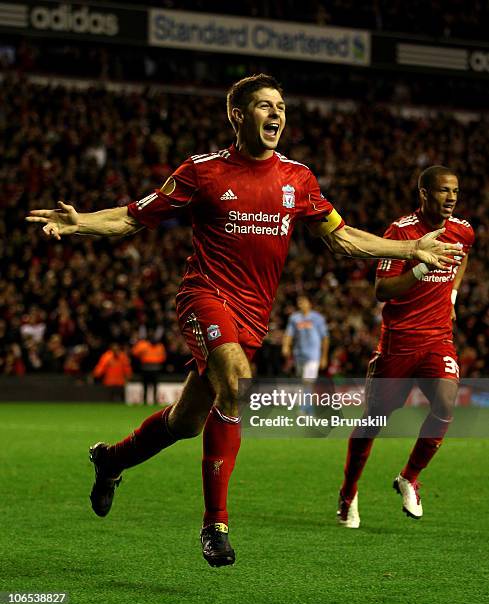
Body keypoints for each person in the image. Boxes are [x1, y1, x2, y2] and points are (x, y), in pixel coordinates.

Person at [26, 75, 462, 567]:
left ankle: (111, 460)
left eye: (281, 106)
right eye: (264, 106)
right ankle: (216, 524)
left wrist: (411, 248)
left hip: (252, 317)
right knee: (237, 381)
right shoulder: (202, 172)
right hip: (204, 297)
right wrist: (79, 221)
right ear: (237, 114)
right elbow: (131, 217)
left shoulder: (298, 179)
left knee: (186, 421)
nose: (276, 115)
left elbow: (343, 239)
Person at [337, 166, 474, 529]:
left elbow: (463, 256)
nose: (451, 198)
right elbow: (382, 290)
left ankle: (409, 477)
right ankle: (348, 494)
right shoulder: (401, 233)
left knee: (446, 403)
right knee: (375, 421)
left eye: (456, 191)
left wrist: (453, 295)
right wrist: (419, 268)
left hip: (437, 338)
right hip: (399, 342)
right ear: (424, 193)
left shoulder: (462, 231)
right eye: (444, 191)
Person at [282, 295, 329, 413]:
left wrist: (324, 356)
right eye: (299, 302)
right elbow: (289, 334)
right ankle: (310, 409)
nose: (300, 304)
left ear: (309, 303)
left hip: (313, 354)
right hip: (299, 354)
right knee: (304, 382)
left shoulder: (317, 318)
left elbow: (325, 338)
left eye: (303, 302)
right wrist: (285, 346)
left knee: (308, 380)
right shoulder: (294, 318)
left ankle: (304, 410)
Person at [132, 334, 167, 405]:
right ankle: (145, 401)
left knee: (154, 386)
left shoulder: (160, 346)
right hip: (146, 368)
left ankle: (154, 401)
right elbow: (134, 353)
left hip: (155, 369)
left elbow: (163, 358)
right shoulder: (143, 345)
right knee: (145, 386)